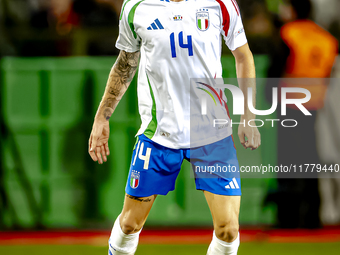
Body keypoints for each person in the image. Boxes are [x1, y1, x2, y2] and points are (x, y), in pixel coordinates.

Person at [88, 0, 260, 254]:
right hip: (159, 134)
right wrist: (102, 117)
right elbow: (125, 64)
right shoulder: (136, 6)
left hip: (212, 132)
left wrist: (248, 116)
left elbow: (243, 55)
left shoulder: (220, 4)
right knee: (129, 223)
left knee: (228, 229)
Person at [266, 0, 338, 228]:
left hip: (289, 105)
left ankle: (289, 217)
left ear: (294, 9)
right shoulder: (326, 39)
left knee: (288, 162)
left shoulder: (288, 34)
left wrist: (269, 99)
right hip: (314, 105)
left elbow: (275, 70)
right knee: (310, 160)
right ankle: (311, 216)